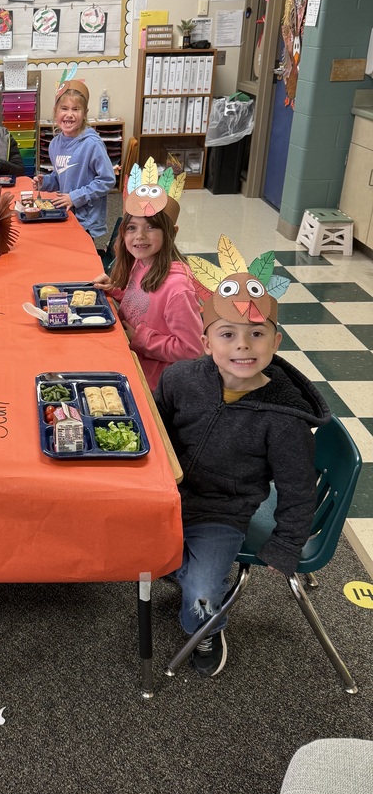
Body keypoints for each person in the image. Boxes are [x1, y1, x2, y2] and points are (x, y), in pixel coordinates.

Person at [154, 234, 331, 678]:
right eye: (228, 334)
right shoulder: (180, 378)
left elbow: (297, 489)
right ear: (206, 341)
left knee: (201, 591)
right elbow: (158, 424)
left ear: (276, 340)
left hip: (224, 511)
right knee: (124, 548)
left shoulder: (285, 420)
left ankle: (207, 629)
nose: (242, 346)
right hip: (168, 496)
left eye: (256, 334)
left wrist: (287, 543)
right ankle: (180, 569)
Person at [93, 160, 203, 390]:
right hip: (127, 357)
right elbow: (140, 300)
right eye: (132, 227)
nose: (140, 236)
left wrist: (141, 339)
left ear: (171, 233)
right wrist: (116, 288)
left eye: (151, 227)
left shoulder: (178, 289)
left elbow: (192, 349)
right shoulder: (141, 262)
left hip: (151, 384)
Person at [32, 66, 115, 239]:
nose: (69, 114)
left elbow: (107, 180)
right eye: (64, 108)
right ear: (56, 112)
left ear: (85, 114)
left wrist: (75, 197)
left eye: (75, 109)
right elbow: (61, 176)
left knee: (82, 253)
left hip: (87, 220)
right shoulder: (55, 144)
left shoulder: (92, 144)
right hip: (65, 213)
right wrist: (45, 182)